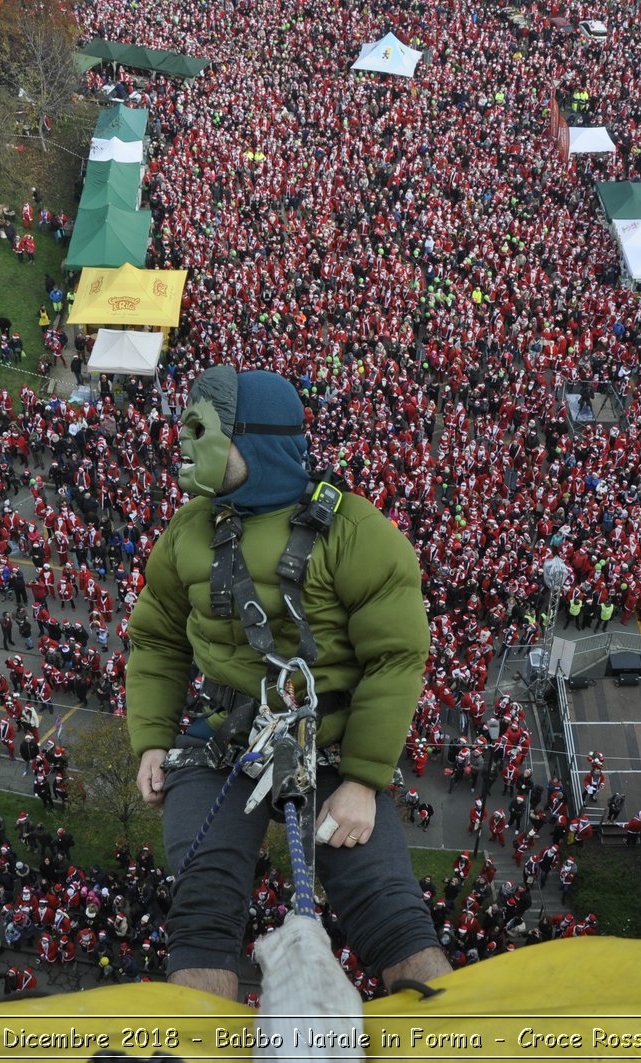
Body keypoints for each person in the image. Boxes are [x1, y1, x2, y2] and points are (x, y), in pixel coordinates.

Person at [127, 366, 449, 1000]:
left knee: (395, 920)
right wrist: (152, 740)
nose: (183, 443)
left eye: (201, 429)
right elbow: (157, 636)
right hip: (223, 742)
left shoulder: (358, 534)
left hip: (328, 746)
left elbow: (396, 658)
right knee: (199, 916)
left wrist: (361, 780)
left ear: (258, 441)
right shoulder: (187, 530)